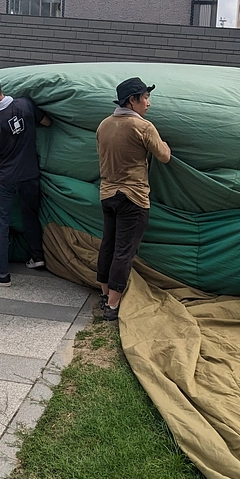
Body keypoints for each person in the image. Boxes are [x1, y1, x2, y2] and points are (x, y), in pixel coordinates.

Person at [95, 77, 171, 322]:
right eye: (145, 98)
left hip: (107, 194)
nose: (148, 104)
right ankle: (113, 305)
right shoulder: (143, 127)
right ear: (132, 100)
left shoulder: (104, 125)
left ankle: (105, 294)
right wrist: (166, 146)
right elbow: (164, 157)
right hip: (133, 197)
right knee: (124, 251)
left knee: (108, 245)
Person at [0, 73, 52, 286]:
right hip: (31, 174)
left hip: (6, 177)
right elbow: (47, 121)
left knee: (2, 224)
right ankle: (37, 256)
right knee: (31, 215)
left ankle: (1, 274)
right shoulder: (25, 104)